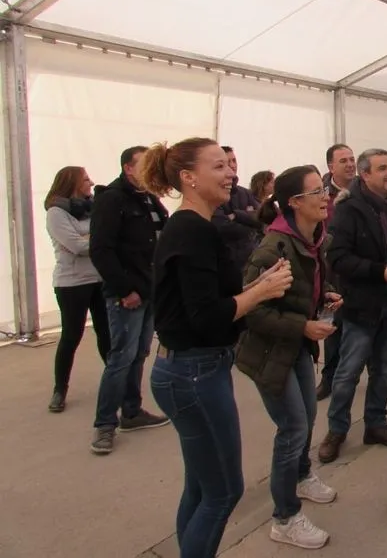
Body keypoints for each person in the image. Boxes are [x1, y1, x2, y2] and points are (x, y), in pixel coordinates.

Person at [144, 137, 293, 558]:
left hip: (189, 370)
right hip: (194, 375)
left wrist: (257, 286)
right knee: (224, 491)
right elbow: (207, 316)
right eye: (218, 166)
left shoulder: (193, 226)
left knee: (200, 486)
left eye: (229, 165)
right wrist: (261, 292)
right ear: (189, 177)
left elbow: (207, 300)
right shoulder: (192, 230)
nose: (231, 173)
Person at [236, 165, 340, 549]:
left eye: (323, 190)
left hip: (294, 346)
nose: (325, 197)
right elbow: (253, 311)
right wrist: (303, 326)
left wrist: (324, 295)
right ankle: (284, 517)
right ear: (294, 202)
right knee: (293, 427)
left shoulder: (313, 238)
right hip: (269, 352)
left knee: (307, 417)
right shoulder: (272, 249)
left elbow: (302, 288)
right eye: (316, 192)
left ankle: (301, 474)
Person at [317, 148, 387, 464]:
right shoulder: (348, 209)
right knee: (348, 372)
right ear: (365, 175)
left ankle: (376, 424)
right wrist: (379, 271)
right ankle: (337, 430)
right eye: (382, 168)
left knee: (384, 371)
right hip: (362, 306)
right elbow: (337, 257)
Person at [89, 146, 170, 454]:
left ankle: (132, 412)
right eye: (145, 163)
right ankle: (104, 425)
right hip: (127, 294)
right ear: (128, 168)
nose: (152, 169)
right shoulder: (112, 199)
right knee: (121, 357)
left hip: (149, 291)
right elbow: (101, 251)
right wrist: (125, 290)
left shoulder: (148, 198)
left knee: (138, 354)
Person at [44, 166, 110, 413]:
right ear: (72, 183)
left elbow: (105, 237)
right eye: (85, 179)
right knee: (72, 335)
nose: (91, 183)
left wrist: (91, 239)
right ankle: (60, 389)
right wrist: (97, 239)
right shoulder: (56, 212)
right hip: (71, 283)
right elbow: (76, 246)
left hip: (98, 279)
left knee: (106, 333)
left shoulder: (93, 208)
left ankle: (116, 381)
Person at [317, 144, 357, 401]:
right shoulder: (321, 196)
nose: (350, 164)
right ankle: (328, 379)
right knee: (333, 328)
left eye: (352, 159)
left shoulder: (365, 190)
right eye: (344, 161)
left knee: (369, 325)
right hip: (332, 273)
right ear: (331, 166)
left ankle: (379, 376)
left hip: (361, 269)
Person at [212, 146, 262, 271]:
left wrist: (236, 215)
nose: (232, 165)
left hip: (250, 262)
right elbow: (222, 226)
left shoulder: (245, 193)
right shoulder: (213, 193)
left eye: (234, 160)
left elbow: (261, 218)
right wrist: (250, 222)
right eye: (227, 162)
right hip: (225, 264)